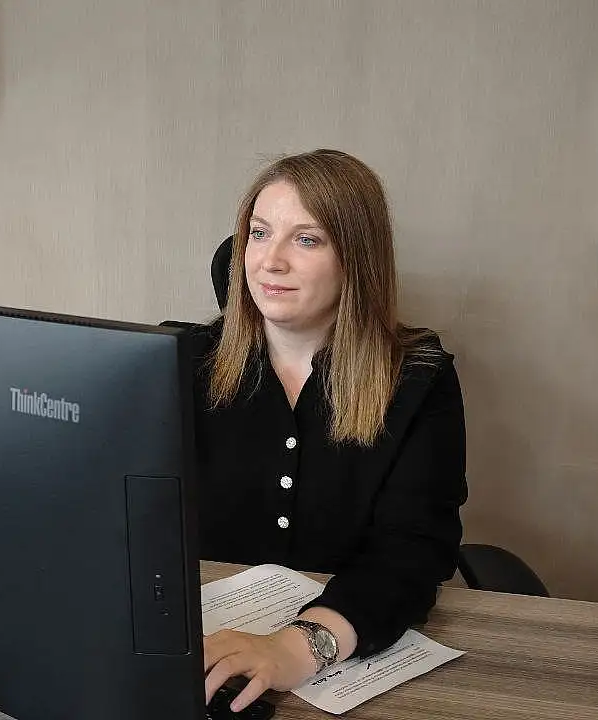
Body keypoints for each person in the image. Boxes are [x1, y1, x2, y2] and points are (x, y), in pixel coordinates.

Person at [195, 150, 467, 712]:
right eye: (259, 233)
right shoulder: (187, 362)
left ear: (356, 260)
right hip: (203, 644)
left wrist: (298, 647)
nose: (270, 261)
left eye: (306, 239)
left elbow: (413, 550)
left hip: (344, 653)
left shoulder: (419, 378)